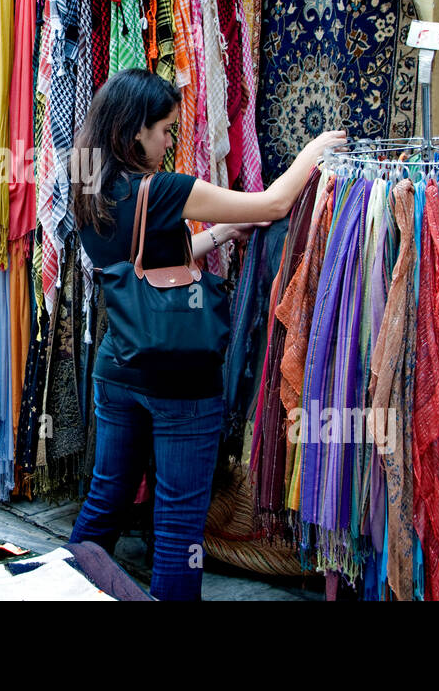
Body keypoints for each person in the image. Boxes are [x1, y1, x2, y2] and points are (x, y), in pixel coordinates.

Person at [67, 68, 345, 600]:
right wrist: (314, 150)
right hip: (180, 381)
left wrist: (216, 234)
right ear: (134, 133)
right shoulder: (164, 190)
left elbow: (143, 271)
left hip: (118, 366)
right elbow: (273, 205)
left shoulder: (90, 187)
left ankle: (71, 589)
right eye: (165, 130)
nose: (171, 142)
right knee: (177, 524)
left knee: (106, 497)